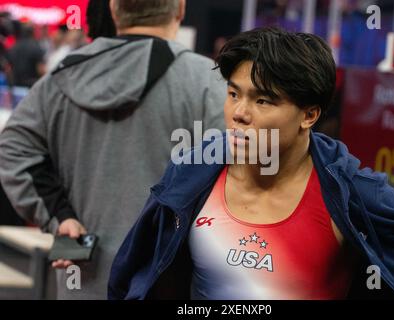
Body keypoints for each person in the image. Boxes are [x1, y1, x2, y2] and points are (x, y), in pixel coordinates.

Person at [108, 27, 394, 300]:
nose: (239, 113)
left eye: (262, 100)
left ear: (309, 114)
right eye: (233, 93)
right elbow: (133, 275)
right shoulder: (190, 173)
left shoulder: (354, 193)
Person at [0, 0, 226, 299]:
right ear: (180, 10)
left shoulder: (61, 77)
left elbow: (13, 149)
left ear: (114, 9)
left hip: (80, 270)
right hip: (167, 277)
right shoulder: (209, 82)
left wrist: (59, 215)